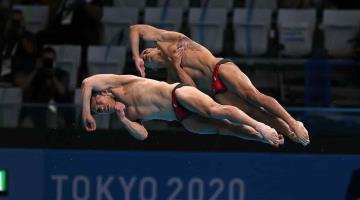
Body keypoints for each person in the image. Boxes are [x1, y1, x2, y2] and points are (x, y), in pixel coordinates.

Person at [129, 24, 310, 146]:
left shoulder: (170, 40)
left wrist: (135, 56)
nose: (146, 59)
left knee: (253, 96)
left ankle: (293, 122)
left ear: (150, 48)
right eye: (146, 64)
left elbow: (135, 29)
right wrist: (177, 67)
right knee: (253, 112)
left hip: (218, 68)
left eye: (145, 55)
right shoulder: (171, 76)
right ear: (153, 68)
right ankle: (287, 132)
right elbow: (191, 89)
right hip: (215, 91)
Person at [82, 74, 285, 146]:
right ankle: (264, 138)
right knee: (224, 129)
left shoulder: (118, 84)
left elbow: (87, 82)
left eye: (97, 105)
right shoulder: (126, 114)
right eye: (99, 112)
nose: (101, 109)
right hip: (181, 117)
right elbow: (143, 135)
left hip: (177, 94)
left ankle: (262, 127)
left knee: (215, 111)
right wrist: (124, 119)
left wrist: (86, 114)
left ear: (102, 93)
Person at [18, 46, 73, 127]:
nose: (48, 62)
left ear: (55, 60)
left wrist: (53, 75)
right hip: (36, 109)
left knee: (53, 121)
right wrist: (35, 70)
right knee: (26, 125)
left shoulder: (62, 74)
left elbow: (62, 91)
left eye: (50, 60)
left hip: (56, 109)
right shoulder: (36, 73)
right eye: (46, 60)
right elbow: (24, 87)